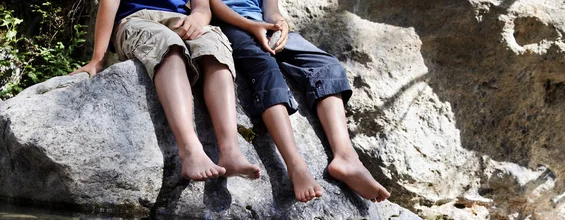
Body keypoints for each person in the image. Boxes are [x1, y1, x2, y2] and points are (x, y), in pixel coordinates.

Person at [208, 0, 391, 203]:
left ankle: (346, 156)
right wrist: (251, 26)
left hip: (263, 27)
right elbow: (212, 5)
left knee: (328, 66)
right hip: (230, 26)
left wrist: (279, 24)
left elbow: (271, 11)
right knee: (268, 71)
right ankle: (296, 166)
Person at [71, 0, 261, 181]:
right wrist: (98, 59)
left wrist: (197, 17)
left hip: (181, 19)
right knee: (169, 47)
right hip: (136, 19)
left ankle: (231, 151)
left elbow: (202, 7)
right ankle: (190, 150)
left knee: (214, 49)